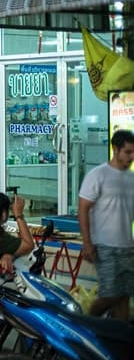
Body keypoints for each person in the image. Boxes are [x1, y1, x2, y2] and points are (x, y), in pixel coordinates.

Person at [78, 129, 134, 320]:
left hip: (127, 246)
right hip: (105, 246)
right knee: (110, 294)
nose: (131, 157)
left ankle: (121, 339)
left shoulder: (132, 178)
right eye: (128, 152)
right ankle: (88, 324)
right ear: (115, 149)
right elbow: (83, 209)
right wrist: (87, 243)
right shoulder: (98, 175)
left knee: (124, 295)